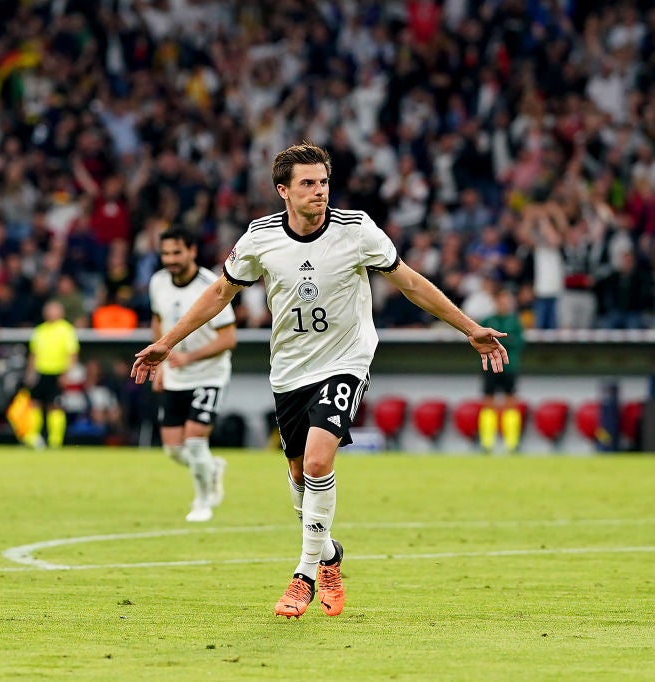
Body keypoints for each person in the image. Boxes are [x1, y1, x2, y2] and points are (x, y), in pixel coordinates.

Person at [131, 143, 508, 619]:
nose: (319, 192)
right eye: (308, 183)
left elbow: (410, 283)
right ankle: (329, 553)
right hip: (290, 368)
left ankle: (305, 573)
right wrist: (168, 342)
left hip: (346, 358)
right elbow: (218, 294)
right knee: (297, 477)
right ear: (283, 190)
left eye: (324, 182)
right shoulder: (261, 238)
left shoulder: (357, 230)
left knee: (316, 459)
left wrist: (470, 328)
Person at [148, 227, 236, 522]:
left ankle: (202, 503)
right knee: (174, 450)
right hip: (175, 376)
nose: (170, 259)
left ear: (192, 251)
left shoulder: (212, 285)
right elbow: (158, 321)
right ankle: (211, 467)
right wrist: (160, 364)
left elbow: (228, 339)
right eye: (166, 253)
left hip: (209, 375)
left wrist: (189, 357)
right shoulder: (158, 282)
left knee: (196, 441)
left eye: (177, 252)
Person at [24, 300, 79, 449]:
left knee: (54, 406)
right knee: (35, 404)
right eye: (49, 310)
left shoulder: (66, 330)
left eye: (54, 310)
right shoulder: (40, 330)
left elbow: (72, 354)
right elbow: (33, 354)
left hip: (57, 372)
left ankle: (55, 441)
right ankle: (33, 437)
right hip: (41, 372)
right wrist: (30, 372)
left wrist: (67, 373)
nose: (51, 313)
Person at [478, 287, 525, 454]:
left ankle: (511, 443)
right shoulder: (487, 320)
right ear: (495, 301)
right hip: (490, 367)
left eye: (507, 300)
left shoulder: (515, 321)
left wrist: (504, 342)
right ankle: (487, 443)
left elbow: (520, 343)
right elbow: (479, 340)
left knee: (510, 402)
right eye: (501, 300)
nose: (504, 303)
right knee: (488, 402)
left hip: (509, 366)